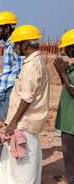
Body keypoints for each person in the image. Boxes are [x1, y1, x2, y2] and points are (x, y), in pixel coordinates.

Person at [0, 25, 49, 184]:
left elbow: (27, 98)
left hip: (24, 125)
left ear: (25, 44)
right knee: (15, 167)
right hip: (24, 124)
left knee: (23, 170)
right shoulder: (33, 62)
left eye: (16, 44)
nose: (14, 48)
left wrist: (13, 122)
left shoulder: (33, 65)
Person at [0, 11, 23, 122]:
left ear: (7, 28)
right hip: (3, 92)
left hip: (10, 93)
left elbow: (21, 73)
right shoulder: (8, 45)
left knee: (9, 128)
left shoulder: (15, 45)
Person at [53, 29, 74, 184]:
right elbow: (67, 86)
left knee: (69, 151)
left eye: (68, 47)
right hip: (68, 117)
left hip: (71, 121)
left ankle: (71, 178)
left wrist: (64, 73)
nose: (65, 50)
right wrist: (61, 73)